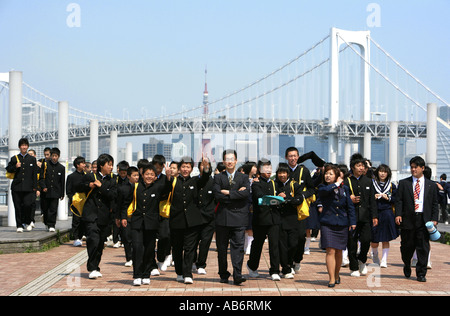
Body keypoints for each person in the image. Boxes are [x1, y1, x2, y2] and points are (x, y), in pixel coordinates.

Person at [167, 155, 211, 284]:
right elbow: (165, 190)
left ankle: (187, 274)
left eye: (188, 167)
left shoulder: (195, 181)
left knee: (190, 248)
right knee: (177, 248)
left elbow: (205, 178)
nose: (185, 169)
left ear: (192, 169)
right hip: (176, 220)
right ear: (179, 168)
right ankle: (179, 272)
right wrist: (168, 177)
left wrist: (206, 167)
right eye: (183, 167)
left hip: (192, 221)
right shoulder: (173, 181)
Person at [395, 156, 439, 282]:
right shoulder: (404, 183)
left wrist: (434, 219)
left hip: (424, 220)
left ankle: (421, 273)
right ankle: (407, 263)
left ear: (422, 168)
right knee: (406, 246)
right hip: (408, 219)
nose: (413, 169)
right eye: (412, 167)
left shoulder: (431, 185)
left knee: (423, 247)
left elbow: (435, 203)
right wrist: (398, 214)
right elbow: (399, 201)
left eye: (416, 167)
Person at [121, 164, 165, 286]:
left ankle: (146, 274)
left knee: (149, 250)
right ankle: (137, 275)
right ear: (142, 175)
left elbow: (168, 189)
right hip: (137, 222)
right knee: (137, 248)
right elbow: (125, 203)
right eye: (147, 174)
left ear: (155, 176)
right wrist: (123, 217)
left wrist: (170, 177)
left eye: (152, 174)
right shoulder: (135, 187)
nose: (149, 176)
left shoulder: (158, 187)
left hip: (152, 224)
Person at [213, 149, 250, 285]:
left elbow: (246, 194)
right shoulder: (218, 177)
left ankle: (237, 274)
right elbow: (217, 196)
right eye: (226, 159)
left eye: (232, 159)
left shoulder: (243, 177)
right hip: (222, 218)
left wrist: (228, 193)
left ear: (236, 160)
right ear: (223, 162)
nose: (229, 161)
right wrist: (235, 195)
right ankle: (223, 274)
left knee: (238, 247)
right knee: (222, 249)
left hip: (239, 218)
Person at [79, 154, 117, 279]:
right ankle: (92, 267)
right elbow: (77, 186)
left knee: (100, 243)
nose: (111, 167)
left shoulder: (113, 179)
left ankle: (96, 265)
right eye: (109, 165)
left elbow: (113, 195)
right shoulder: (90, 176)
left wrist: (101, 187)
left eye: (112, 165)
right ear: (101, 165)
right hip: (90, 214)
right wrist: (88, 185)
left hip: (105, 216)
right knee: (93, 240)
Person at [317, 165, 356, 287]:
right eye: (326, 173)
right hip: (328, 222)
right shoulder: (323, 187)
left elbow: (350, 206)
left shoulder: (345, 189)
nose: (328, 176)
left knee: (339, 251)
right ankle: (331, 278)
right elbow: (324, 192)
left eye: (331, 174)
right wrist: (336, 184)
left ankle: (337, 273)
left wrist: (353, 222)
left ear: (337, 176)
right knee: (330, 250)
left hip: (342, 223)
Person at [247, 159, 282, 281]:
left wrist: (279, 198)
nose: (268, 170)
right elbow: (259, 198)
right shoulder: (256, 183)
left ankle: (274, 270)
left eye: (269, 168)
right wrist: (276, 198)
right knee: (258, 244)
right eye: (265, 168)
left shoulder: (274, 183)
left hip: (274, 219)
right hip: (260, 219)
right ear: (260, 170)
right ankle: (252, 266)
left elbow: (281, 196)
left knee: (274, 245)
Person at [344, 153, 378, 277]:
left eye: (363, 166)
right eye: (358, 166)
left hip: (366, 217)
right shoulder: (346, 182)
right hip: (351, 217)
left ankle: (362, 260)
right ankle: (353, 267)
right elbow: (341, 198)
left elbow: (372, 201)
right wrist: (349, 198)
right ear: (352, 167)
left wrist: (375, 216)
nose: (361, 168)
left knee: (366, 240)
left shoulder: (369, 181)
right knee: (351, 243)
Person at [284, 147, 316, 272]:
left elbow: (312, 189)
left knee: (301, 236)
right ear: (286, 157)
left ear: (298, 157)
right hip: (286, 210)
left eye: (295, 156)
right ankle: (288, 263)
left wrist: (302, 196)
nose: (292, 158)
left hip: (300, 210)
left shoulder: (304, 171)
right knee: (288, 239)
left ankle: (297, 260)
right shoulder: (283, 170)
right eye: (290, 156)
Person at [275, 163, 304, 279]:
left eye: (284, 173)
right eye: (280, 173)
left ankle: (290, 262)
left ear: (288, 174)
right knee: (282, 246)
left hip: (292, 219)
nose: (282, 175)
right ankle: (286, 268)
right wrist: (278, 197)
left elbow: (299, 199)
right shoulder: (274, 185)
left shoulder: (294, 185)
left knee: (293, 244)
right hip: (279, 219)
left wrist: (286, 199)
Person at [6, 138, 39, 232]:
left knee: (28, 205)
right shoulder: (14, 158)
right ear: (19, 147)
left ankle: (28, 221)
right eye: (22, 145)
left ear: (28, 147)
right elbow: (8, 169)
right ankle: (19, 225)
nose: (24, 147)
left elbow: (34, 175)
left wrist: (36, 188)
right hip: (17, 187)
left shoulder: (32, 159)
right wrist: (15, 167)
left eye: (25, 145)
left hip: (29, 188)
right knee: (18, 206)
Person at [370, 164, 399, 268]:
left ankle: (384, 260)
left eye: (385, 172)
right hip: (375, 213)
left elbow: (397, 199)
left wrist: (389, 198)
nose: (382, 174)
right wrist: (373, 197)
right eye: (381, 171)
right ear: (377, 172)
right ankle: (375, 256)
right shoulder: (372, 184)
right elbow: (367, 198)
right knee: (374, 239)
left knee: (386, 238)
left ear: (388, 174)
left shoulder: (392, 186)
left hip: (387, 212)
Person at [193, 160, 215, 275]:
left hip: (209, 218)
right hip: (195, 217)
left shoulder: (214, 182)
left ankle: (201, 264)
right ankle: (192, 261)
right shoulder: (194, 181)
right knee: (193, 242)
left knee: (205, 242)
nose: (204, 167)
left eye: (207, 165)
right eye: (202, 165)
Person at [117, 166, 140, 267]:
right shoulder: (123, 188)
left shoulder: (141, 187)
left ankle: (136, 257)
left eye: (137, 175)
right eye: (134, 175)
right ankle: (129, 258)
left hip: (137, 216)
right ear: (128, 176)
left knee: (136, 239)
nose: (136, 177)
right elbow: (120, 204)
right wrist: (121, 217)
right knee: (127, 238)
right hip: (126, 216)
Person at [39, 148, 66, 232]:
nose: (54, 158)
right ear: (50, 156)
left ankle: (52, 225)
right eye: (53, 156)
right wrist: (43, 187)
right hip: (46, 192)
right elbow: (41, 178)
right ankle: (46, 223)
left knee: (53, 209)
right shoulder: (45, 165)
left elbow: (62, 182)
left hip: (55, 192)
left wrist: (62, 193)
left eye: (56, 156)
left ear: (58, 156)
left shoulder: (61, 168)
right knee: (46, 209)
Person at [66, 156, 86, 246]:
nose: (84, 164)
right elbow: (68, 190)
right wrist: (73, 198)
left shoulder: (86, 176)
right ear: (77, 165)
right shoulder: (71, 177)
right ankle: (76, 237)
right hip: (75, 201)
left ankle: (82, 236)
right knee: (76, 220)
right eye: (82, 163)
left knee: (84, 220)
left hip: (85, 201)